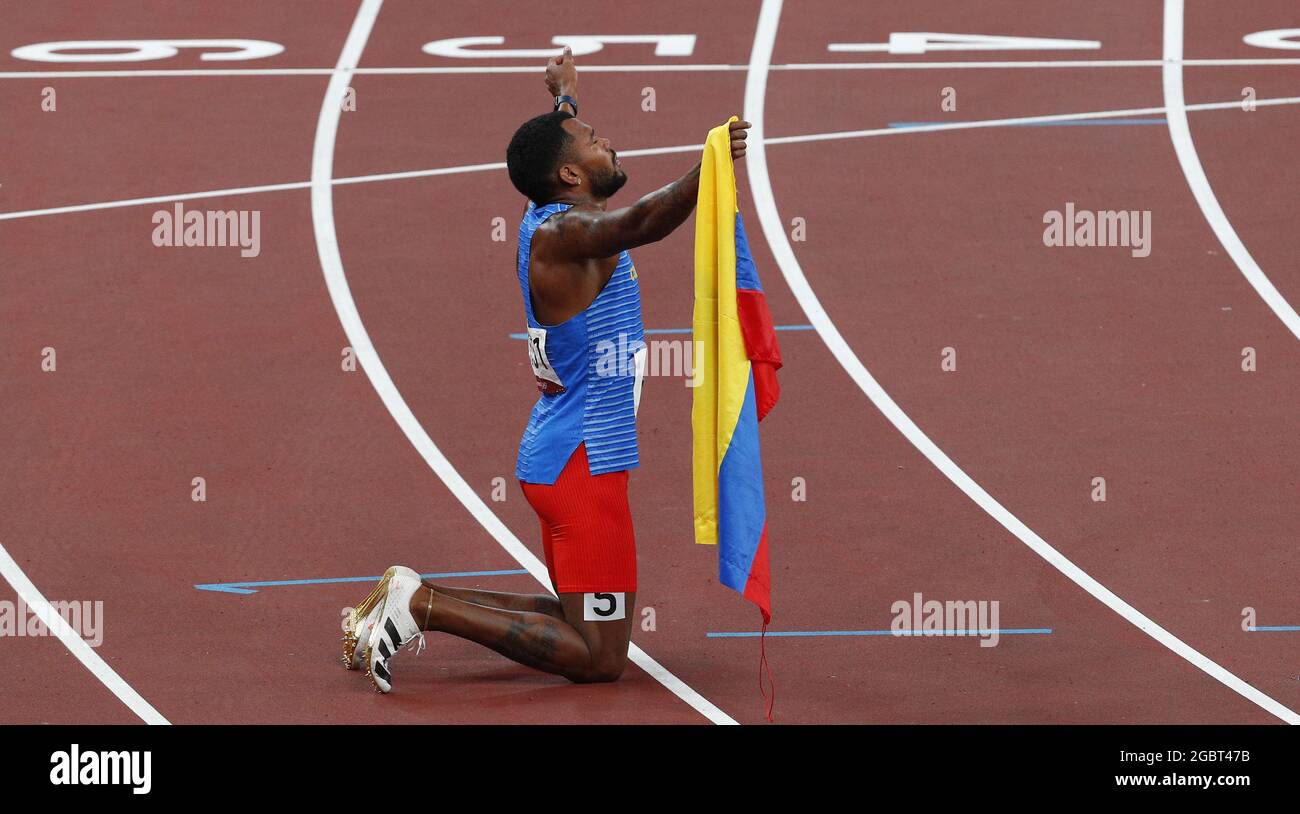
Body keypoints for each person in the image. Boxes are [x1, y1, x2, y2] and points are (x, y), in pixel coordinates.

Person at [343, 46, 752, 692]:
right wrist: (707, 170)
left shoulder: (549, 213)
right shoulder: (565, 240)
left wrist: (565, 99)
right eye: (593, 141)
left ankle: (414, 597)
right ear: (569, 176)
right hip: (584, 467)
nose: (607, 143)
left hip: (564, 454)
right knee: (600, 658)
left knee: (579, 624)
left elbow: (563, 155)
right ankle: (421, 608)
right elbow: (644, 220)